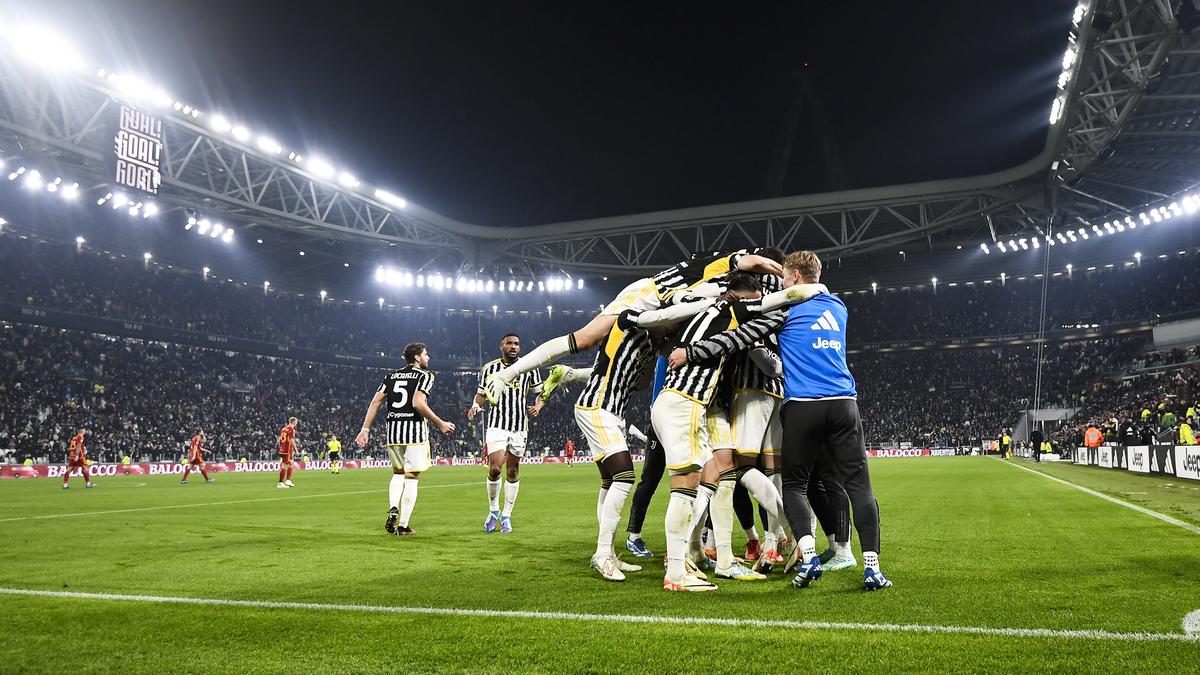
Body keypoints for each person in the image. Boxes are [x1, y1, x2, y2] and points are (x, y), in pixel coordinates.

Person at [668, 251, 891, 591]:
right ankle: (872, 567)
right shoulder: (839, 307)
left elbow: (738, 338)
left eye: (786, 278)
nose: (783, 284)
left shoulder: (785, 312)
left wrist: (692, 352)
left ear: (796, 278)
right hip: (845, 405)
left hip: (803, 405)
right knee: (860, 487)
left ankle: (808, 556)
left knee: (795, 485)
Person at [655, 272, 828, 590]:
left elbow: (666, 315)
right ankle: (682, 563)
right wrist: (817, 288)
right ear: (743, 295)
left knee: (727, 471)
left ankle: (719, 555)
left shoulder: (704, 308)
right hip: (694, 399)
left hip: (714, 401)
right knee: (697, 482)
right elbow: (777, 305)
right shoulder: (740, 308)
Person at [482, 250, 784, 404]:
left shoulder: (728, 289)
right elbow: (757, 262)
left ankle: (571, 375)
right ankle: (507, 375)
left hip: (668, 318)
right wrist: (787, 276)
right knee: (586, 339)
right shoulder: (722, 265)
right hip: (650, 296)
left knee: (639, 380)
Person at [356, 342, 455, 536]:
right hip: (414, 432)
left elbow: (375, 402)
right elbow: (417, 402)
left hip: (393, 431)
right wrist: (440, 423)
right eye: (426, 354)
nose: (428, 357)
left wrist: (365, 429)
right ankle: (403, 525)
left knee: (398, 474)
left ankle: (393, 507)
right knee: (412, 478)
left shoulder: (391, 376)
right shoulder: (425, 375)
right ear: (417, 357)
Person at [468, 333, 545, 534]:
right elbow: (481, 394)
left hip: (519, 426)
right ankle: (493, 511)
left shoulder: (529, 367)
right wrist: (475, 405)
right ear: (501, 346)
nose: (513, 346)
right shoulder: (489, 368)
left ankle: (506, 516)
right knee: (495, 468)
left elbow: (541, 393)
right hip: (496, 425)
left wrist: (538, 406)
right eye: (509, 343)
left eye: (516, 344)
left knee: (512, 472)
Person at [277, 418, 298, 488]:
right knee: (285, 466)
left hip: (283, 449)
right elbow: (292, 440)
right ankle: (280, 483)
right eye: (296, 422)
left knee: (291, 463)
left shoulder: (283, 429)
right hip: (287, 450)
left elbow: (279, 440)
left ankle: (288, 480)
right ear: (294, 422)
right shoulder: (291, 429)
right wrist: (296, 450)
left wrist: (280, 448)